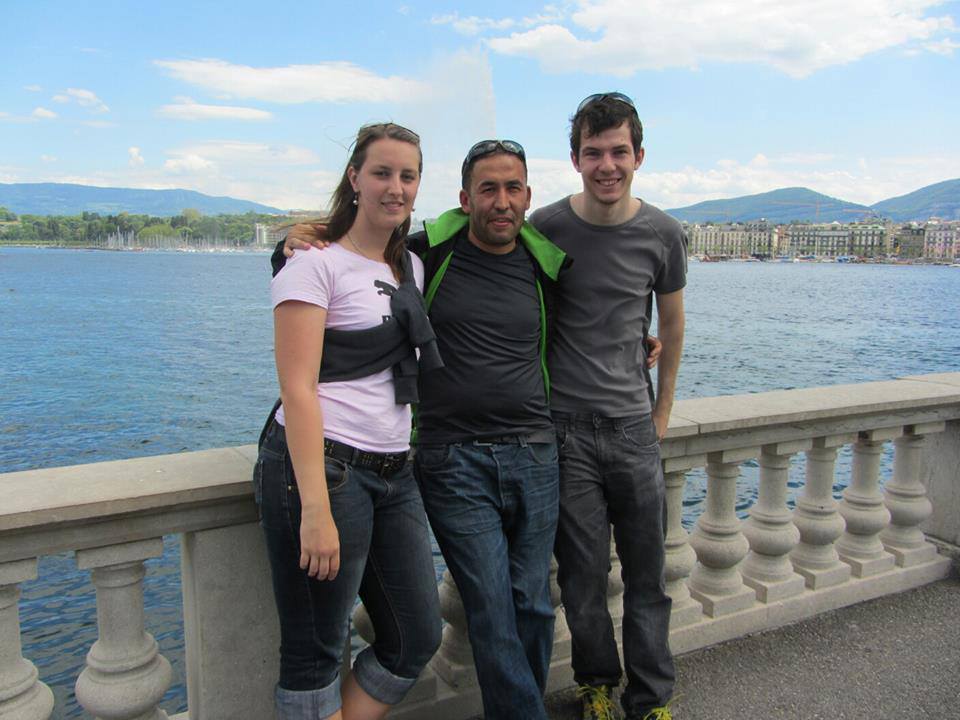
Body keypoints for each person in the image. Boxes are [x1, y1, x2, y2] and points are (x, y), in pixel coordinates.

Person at [281, 139, 569, 720]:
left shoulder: (546, 267)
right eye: (488, 189)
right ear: (465, 199)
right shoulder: (426, 256)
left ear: (528, 196)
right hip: (453, 458)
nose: (502, 201)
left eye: (513, 188)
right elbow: (348, 252)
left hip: (535, 452)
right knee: (490, 606)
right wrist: (288, 242)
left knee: (535, 605)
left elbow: (588, 328)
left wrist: (640, 341)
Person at [254, 122, 442, 720]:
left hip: (394, 471)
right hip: (327, 469)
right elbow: (298, 388)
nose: (396, 187)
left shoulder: (408, 267)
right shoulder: (313, 263)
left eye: (408, 176)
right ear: (355, 178)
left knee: (417, 634)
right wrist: (314, 508)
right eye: (382, 173)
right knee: (314, 655)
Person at [528, 92, 687, 720]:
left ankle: (649, 699)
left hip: (633, 430)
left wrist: (662, 412)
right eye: (593, 152)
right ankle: (595, 682)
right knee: (582, 578)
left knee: (648, 577)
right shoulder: (546, 227)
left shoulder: (664, 233)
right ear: (575, 159)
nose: (607, 165)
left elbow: (671, 325)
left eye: (619, 151)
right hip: (565, 432)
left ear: (639, 155)